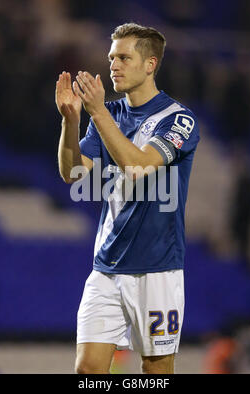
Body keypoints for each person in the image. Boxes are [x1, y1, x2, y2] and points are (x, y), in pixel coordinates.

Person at [55, 23, 200, 374]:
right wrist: (72, 122)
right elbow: (72, 172)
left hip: (158, 269)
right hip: (106, 267)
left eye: (123, 57)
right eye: (110, 57)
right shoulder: (112, 115)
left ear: (150, 64)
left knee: (156, 370)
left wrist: (98, 112)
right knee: (88, 370)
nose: (113, 65)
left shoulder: (178, 119)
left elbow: (138, 165)